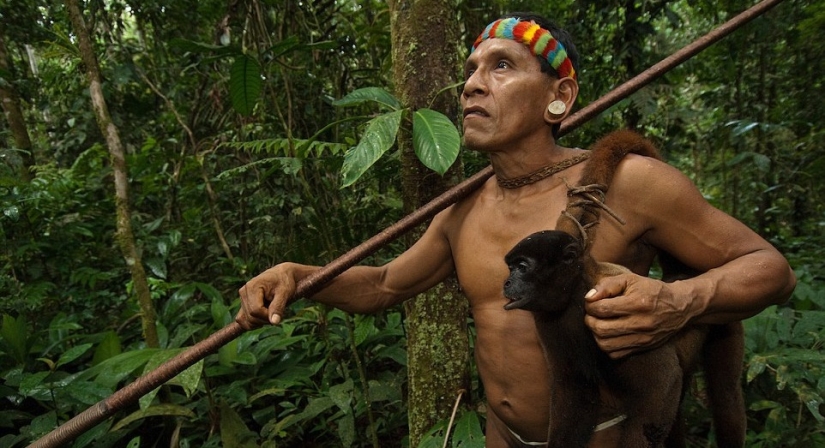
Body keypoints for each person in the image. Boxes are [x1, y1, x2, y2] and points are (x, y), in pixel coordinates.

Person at [236, 13, 796, 447]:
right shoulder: (460, 210)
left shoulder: (632, 184)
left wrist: (682, 298)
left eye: (501, 66)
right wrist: (298, 276)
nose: (472, 87)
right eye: (472, 70)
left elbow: (771, 270)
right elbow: (385, 285)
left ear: (560, 97)